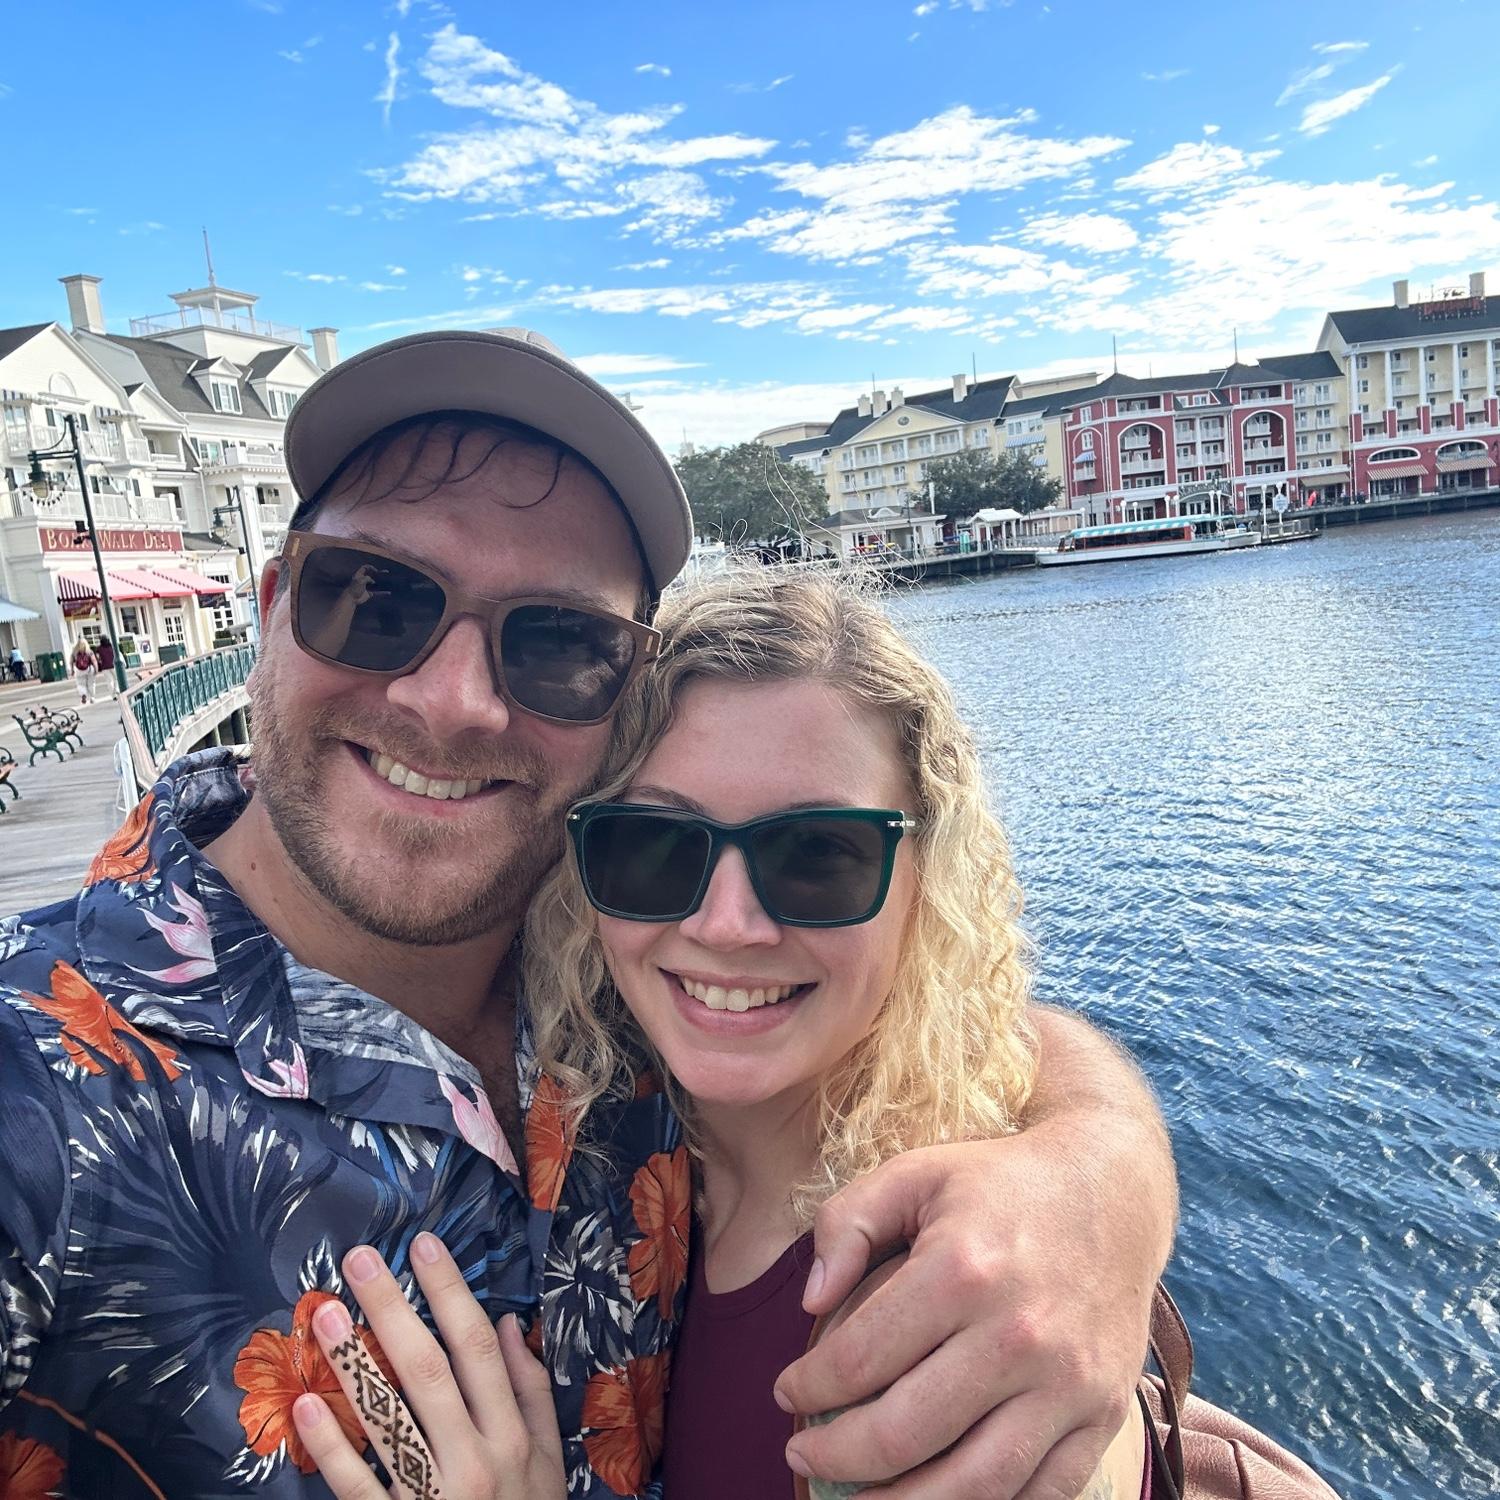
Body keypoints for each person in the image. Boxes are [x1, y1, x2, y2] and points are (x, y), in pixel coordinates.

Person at [0, 329, 1175, 1499]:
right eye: (376, 598)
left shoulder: (616, 954)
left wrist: (1095, 1173)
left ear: (620, 707)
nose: (454, 703)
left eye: (560, 642)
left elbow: (939, 1014)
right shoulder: (34, 1091)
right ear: (272, 610)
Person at [293, 567, 1154, 1500]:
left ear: (928, 878)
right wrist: (1105, 1141)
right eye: (656, 846)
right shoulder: (618, 1115)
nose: (728, 924)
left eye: (817, 853)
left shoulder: (946, 1313)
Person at [71, 638, 95, 703]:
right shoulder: (89, 651)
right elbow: (94, 661)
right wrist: (96, 669)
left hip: (79, 670)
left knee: (80, 684)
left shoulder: (74, 652)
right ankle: (92, 697)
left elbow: (71, 662)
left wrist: (72, 670)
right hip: (89, 669)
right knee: (91, 683)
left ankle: (83, 694)